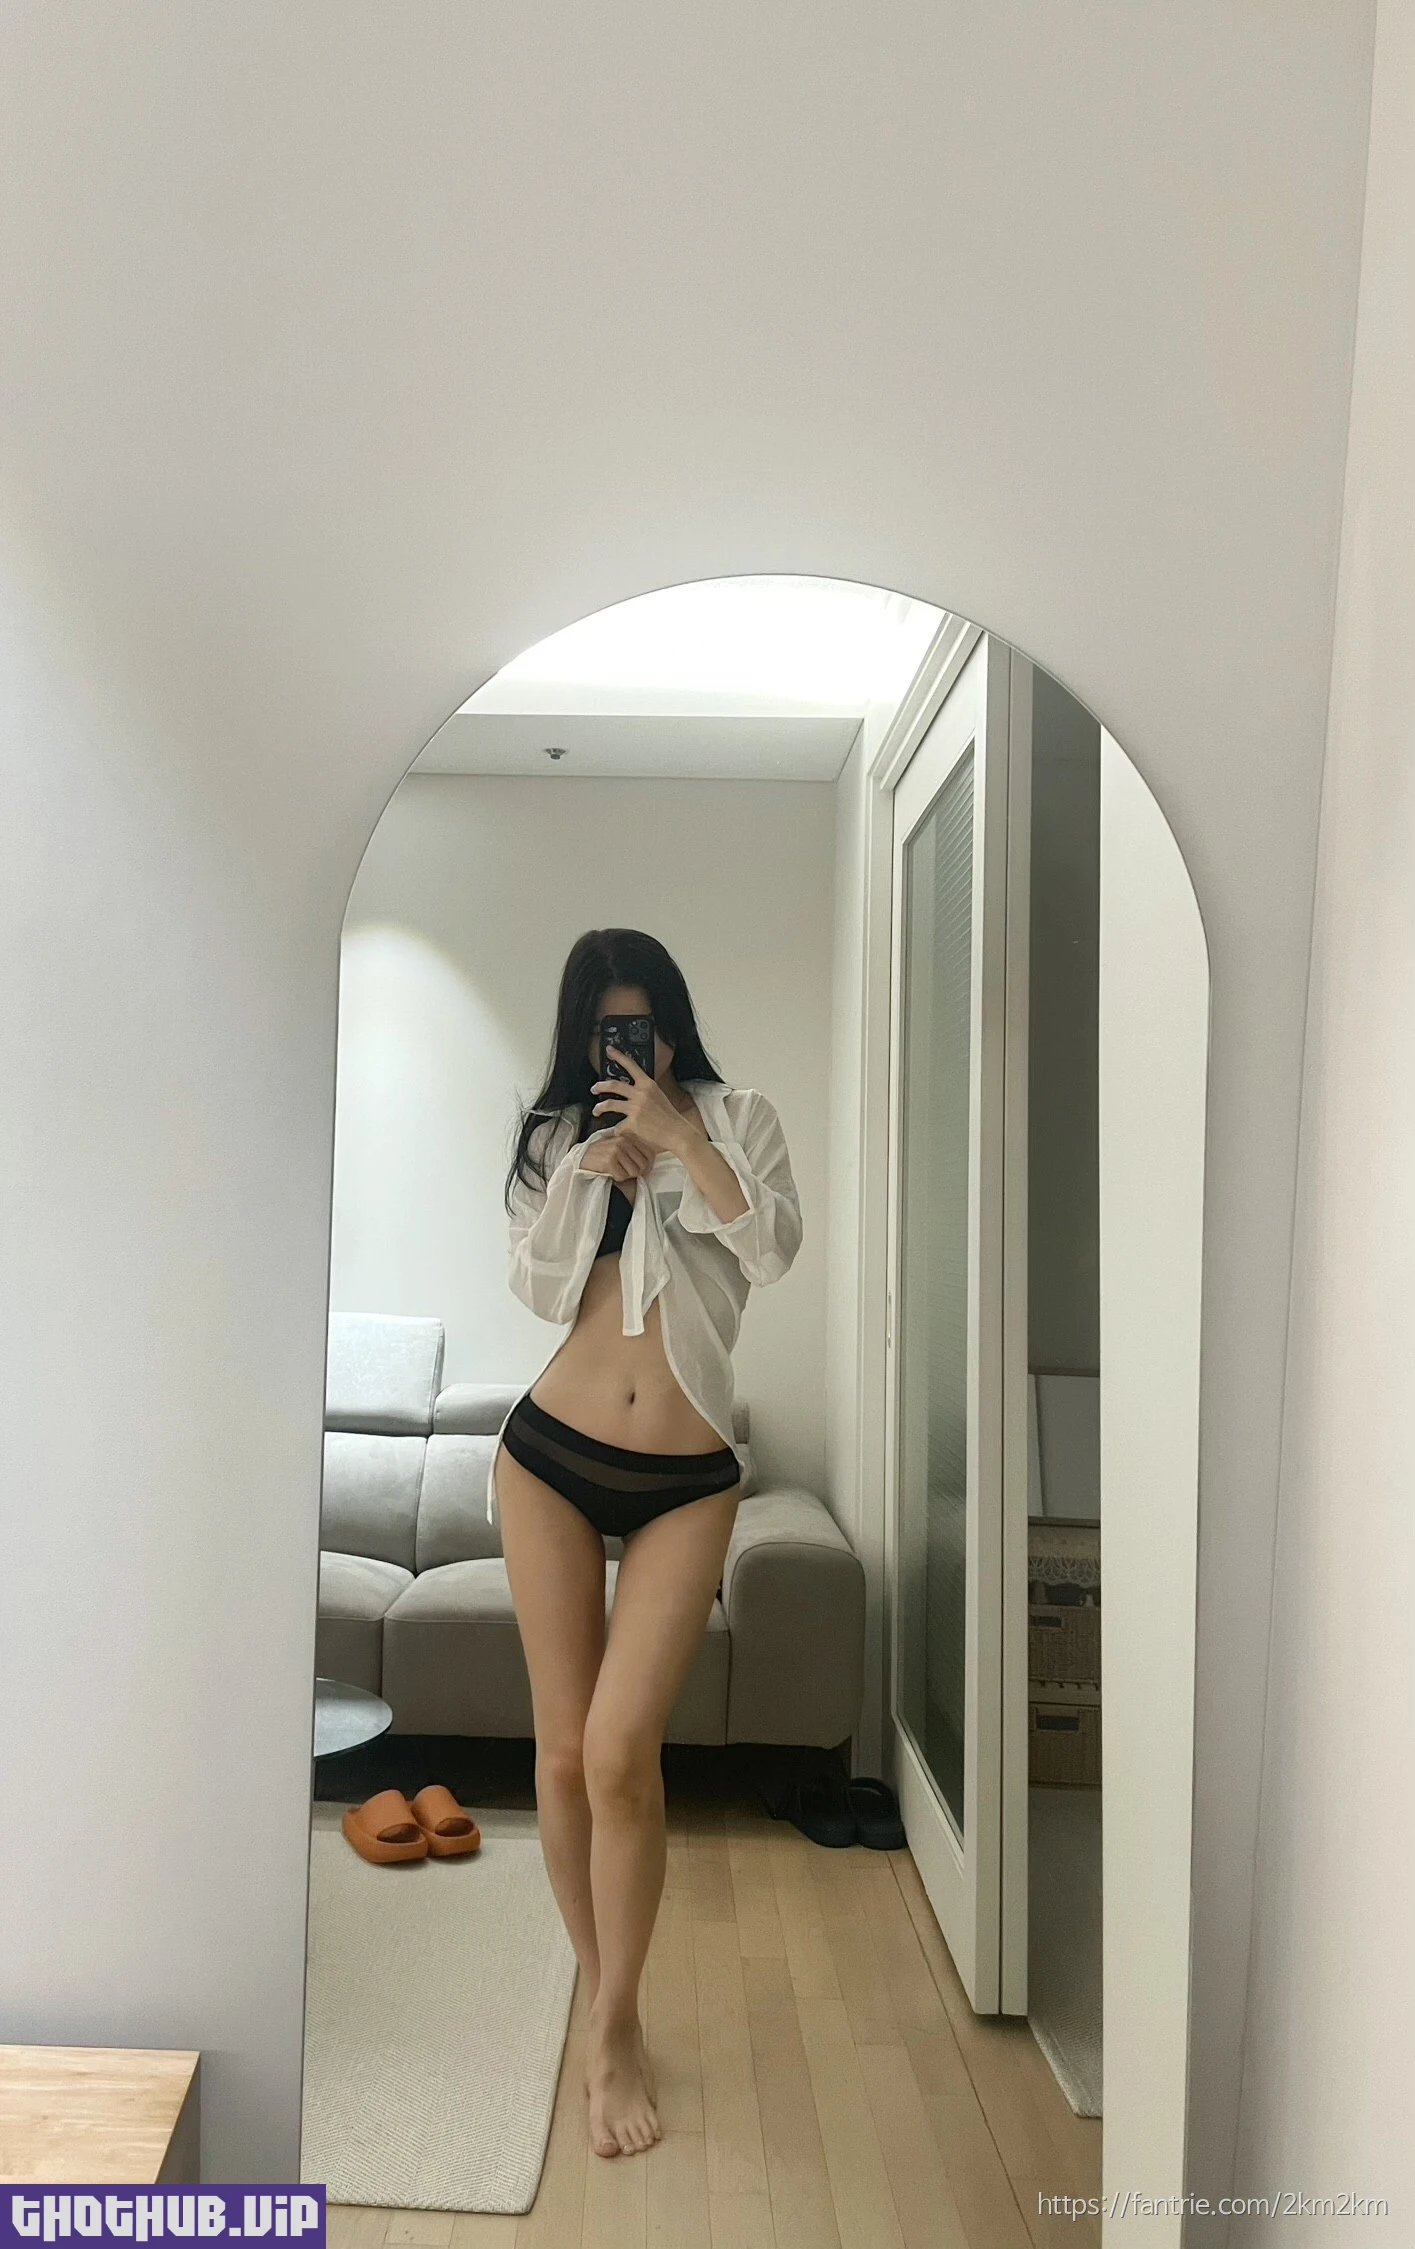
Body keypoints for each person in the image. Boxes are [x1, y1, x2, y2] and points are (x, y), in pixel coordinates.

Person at [490, 927, 802, 2160]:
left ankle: (614, 2017)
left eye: (646, 1025)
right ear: (582, 1036)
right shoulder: (554, 1140)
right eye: (608, 1030)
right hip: (547, 1459)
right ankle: (604, 1999)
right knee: (565, 1752)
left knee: (624, 1750)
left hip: (686, 1473)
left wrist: (682, 1140)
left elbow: (770, 1248)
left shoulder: (740, 1116)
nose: (631, 1047)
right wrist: (585, 1174)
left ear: (673, 1023)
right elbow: (534, 1290)